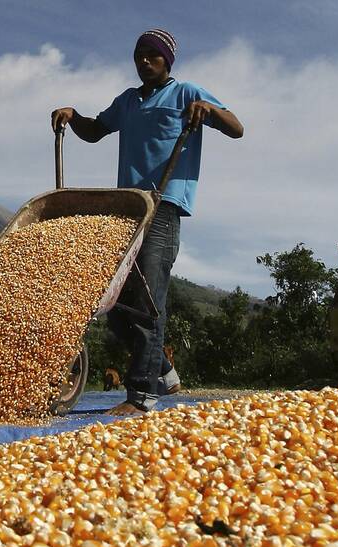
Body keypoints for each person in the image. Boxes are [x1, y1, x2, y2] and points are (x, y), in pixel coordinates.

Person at [51, 28, 243, 415]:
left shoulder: (186, 92)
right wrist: (73, 117)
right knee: (118, 305)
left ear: (167, 60)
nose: (144, 61)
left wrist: (209, 110)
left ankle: (141, 395)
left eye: (152, 55)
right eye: (139, 54)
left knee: (148, 299)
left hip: (163, 205)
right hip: (129, 208)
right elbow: (95, 131)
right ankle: (165, 372)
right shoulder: (128, 101)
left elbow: (236, 127)